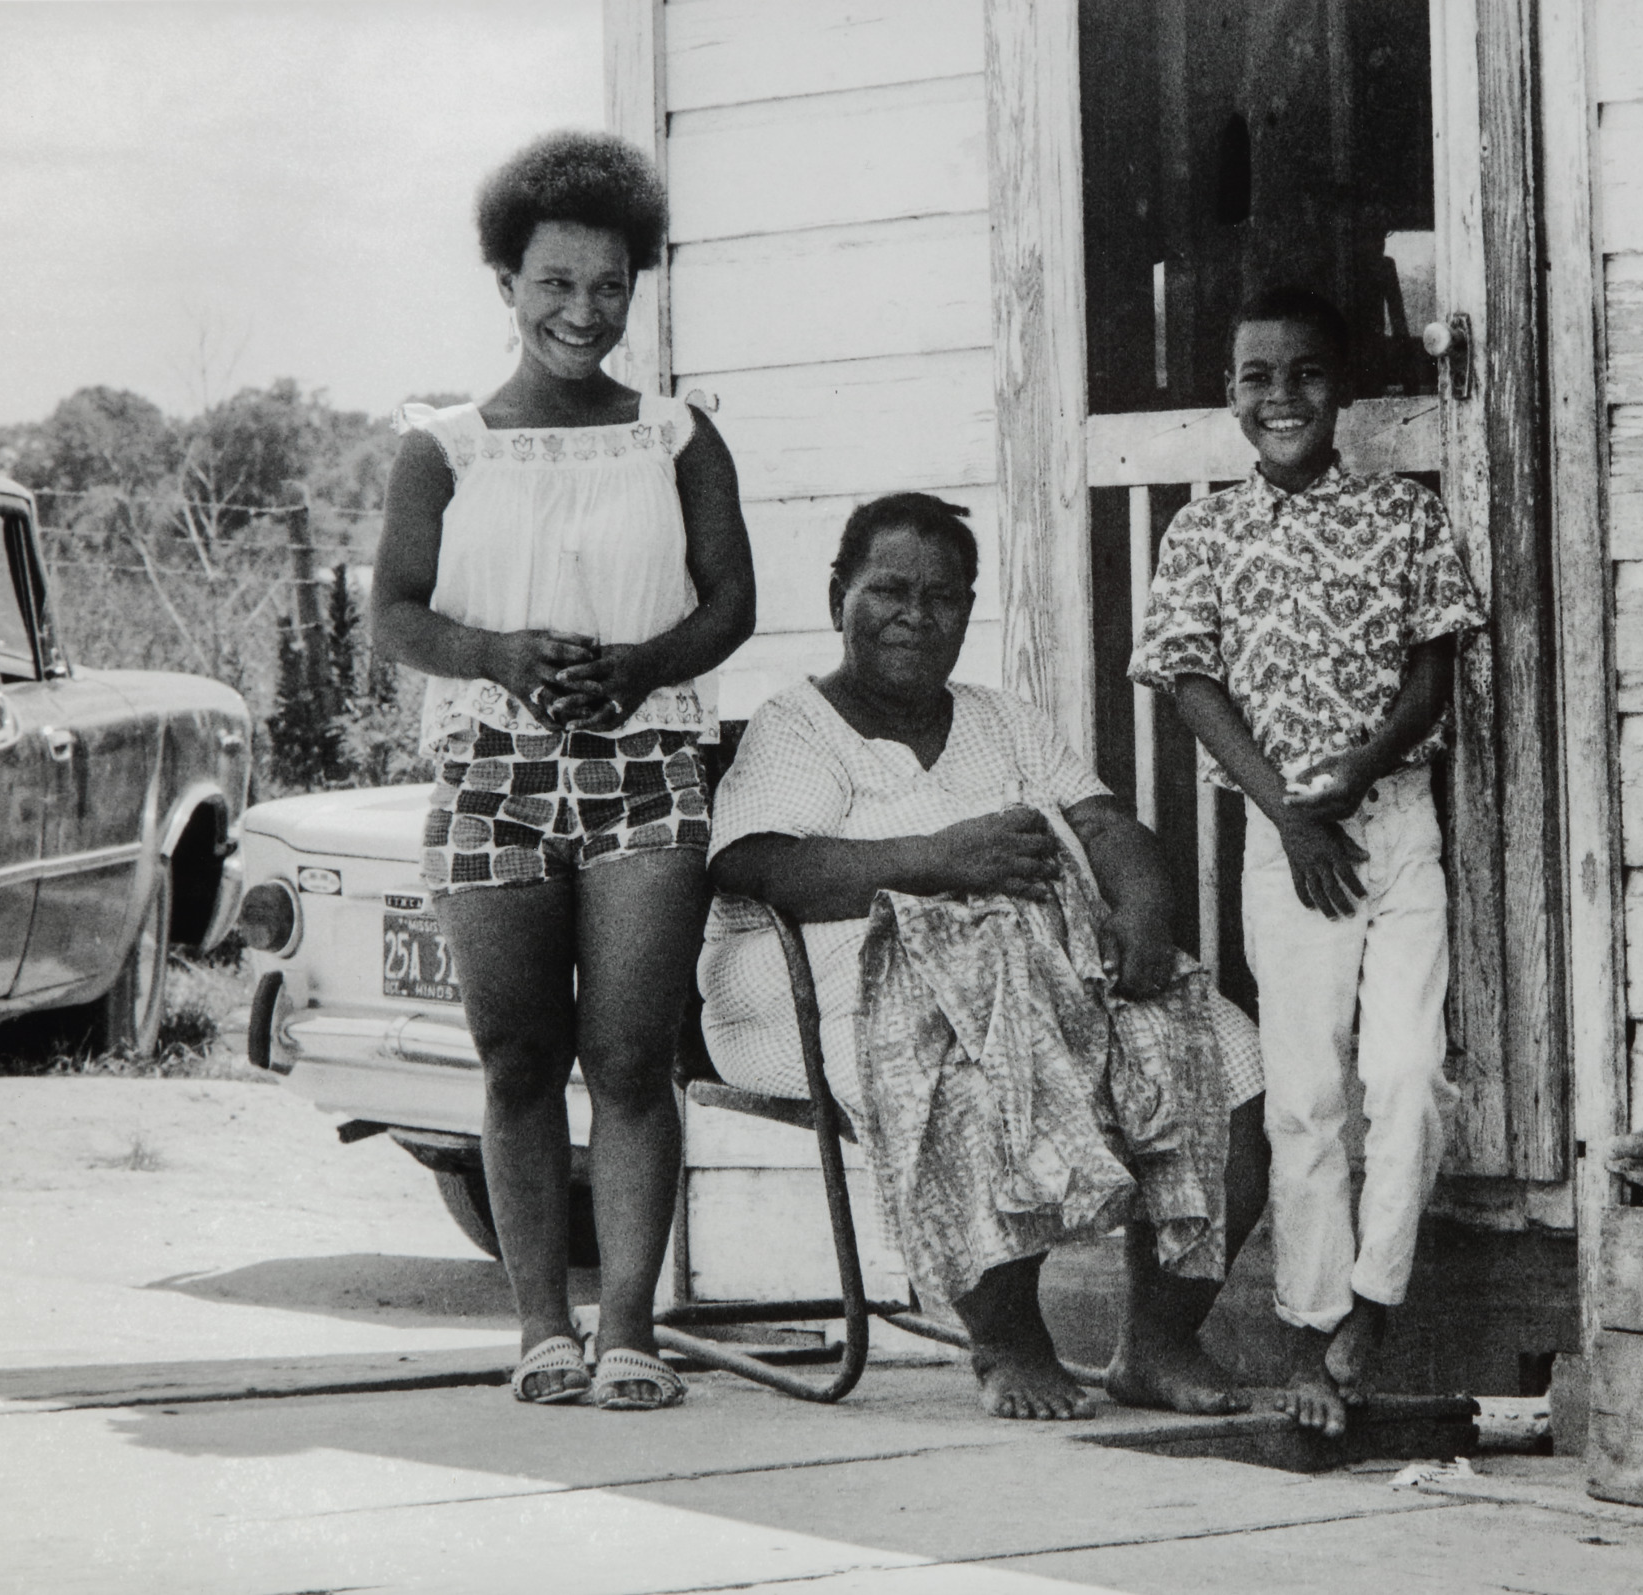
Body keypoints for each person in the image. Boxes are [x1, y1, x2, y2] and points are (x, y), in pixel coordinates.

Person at [700, 493, 1270, 1423]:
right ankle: (1007, 1338)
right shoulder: (798, 726)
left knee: (1228, 1053)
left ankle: (1160, 1339)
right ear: (839, 593)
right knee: (963, 1069)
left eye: (944, 597)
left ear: (970, 608)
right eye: (888, 590)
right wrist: (938, 859)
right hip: (820, 996)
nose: (914, 617)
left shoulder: (1002, 719)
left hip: (1037, 979)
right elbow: (755, 864)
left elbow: (1104, 823)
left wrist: (1145, 911)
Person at [371, 130, 756, 1409]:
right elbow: (398, 616)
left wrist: (643, 669)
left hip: (646, 770)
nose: (582, 312)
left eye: (607, 286)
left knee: (633, 1057)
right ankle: (542, 1324)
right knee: (517, 1057)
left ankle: (633, 1329)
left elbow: (730, 603)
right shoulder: (442, 446)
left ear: (635, 285)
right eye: (553, 283)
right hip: (491, 769)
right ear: (504, 280)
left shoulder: (677, 435)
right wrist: (499, 654)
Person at [1129, 285, 1487, 1438]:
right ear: (1230, 393)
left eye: (1305, 374)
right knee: (1306, 1089)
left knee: (1404, 1072)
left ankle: (1370, 1307)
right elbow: (1190, 678)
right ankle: (1305, 1330)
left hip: (1392, 824)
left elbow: (1433, 675)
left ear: (1346, 388)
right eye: (1255, 377)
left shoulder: (1403, 514)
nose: (1280, 396)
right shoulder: (1207, 531)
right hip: (1285, 840)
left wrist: (1356, 773)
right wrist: (1290, 812)